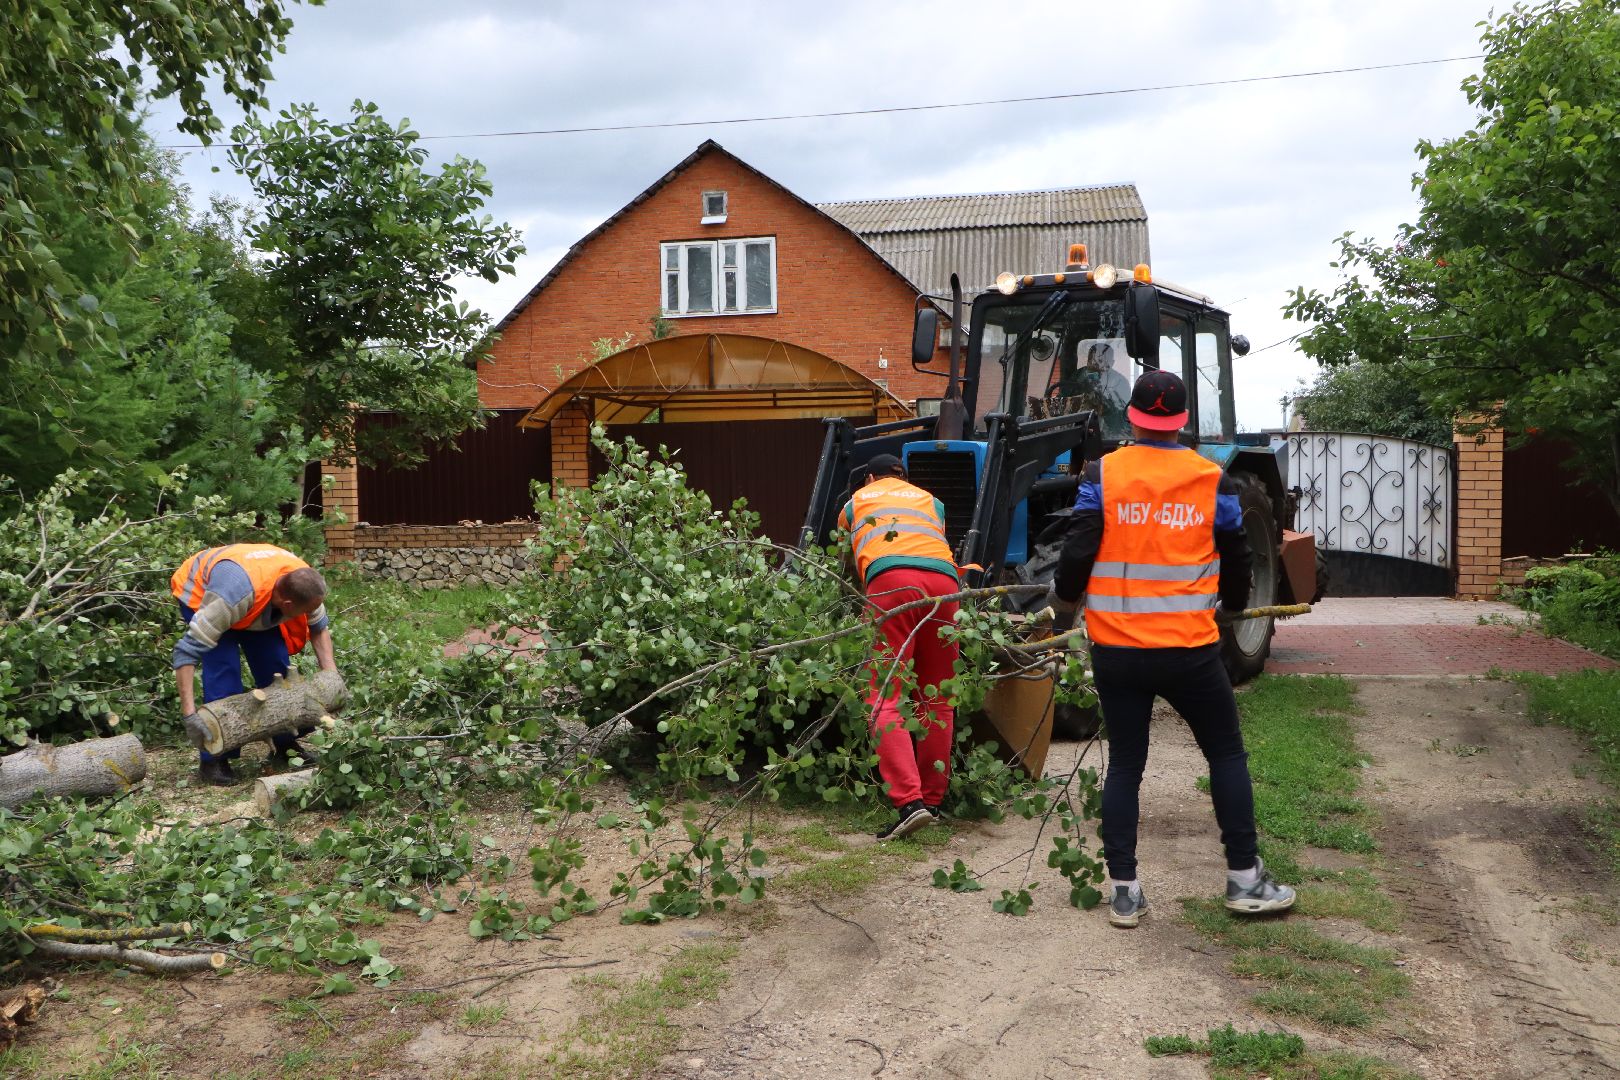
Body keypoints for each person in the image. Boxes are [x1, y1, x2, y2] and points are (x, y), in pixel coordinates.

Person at [1048, 370, 1295, 927]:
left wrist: (1064, 608)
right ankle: (1244, 880)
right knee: (1226, 755)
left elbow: (1079, 549)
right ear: (1181, 422)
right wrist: (1231, 608)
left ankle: (1125, 891)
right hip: (1190, 652)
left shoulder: (1102, 474)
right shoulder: (1213, 481)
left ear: (1132, 417)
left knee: (1127, 765)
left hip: (1117, 651)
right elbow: (1236, 557)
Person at [839, 454, 961, 841]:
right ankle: (934, 801)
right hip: (946, 585)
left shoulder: (858, 499)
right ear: (903, 477)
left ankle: (909, 804)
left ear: (871, 476)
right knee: (938, 695)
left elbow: (845, 555)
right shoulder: (930, 501)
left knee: (883, 694)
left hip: (892, 581)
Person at [171, 543, 337, 786]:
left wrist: (331, 676)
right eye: (303, 612)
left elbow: (318, 628)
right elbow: (185, 653)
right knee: (223, 674)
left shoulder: (303, 580)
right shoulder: (228, 599)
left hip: (255, 595)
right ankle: (213, 759)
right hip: (206, 592)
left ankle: (285, 745)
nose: (308, 614)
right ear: (288, 605)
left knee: (276, 669)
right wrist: (189, 715)